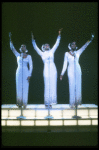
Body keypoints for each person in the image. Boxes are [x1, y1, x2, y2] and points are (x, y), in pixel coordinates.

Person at [60, 34, 94, 108]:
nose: (74, 45)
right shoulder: (66, 54)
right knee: (72, 86)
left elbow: (85, 46)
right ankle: (72, 103)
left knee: (78, 86)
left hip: (78, 70)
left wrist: (90, 40)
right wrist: (62, 73)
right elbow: (65, 64)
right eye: (73, 44)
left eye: (75, 44)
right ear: (70, 45)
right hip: (70, 70)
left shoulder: (78, 52)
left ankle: (77, 103)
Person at [31, 29, 62, 108]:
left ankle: (51, 102)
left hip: (53, 69)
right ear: (43, 47)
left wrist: (59, 35)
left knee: (53, 85)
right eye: (46, 45)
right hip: (46, 70)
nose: (47, 46)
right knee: (47, 85)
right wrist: (33, 39)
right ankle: (47, 102)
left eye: (48, 45)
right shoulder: (42, 53)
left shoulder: (52, 51)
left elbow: (57, 44)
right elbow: (35, 47)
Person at [9, 32, 33, 109]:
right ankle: (19, 103)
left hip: (26, 72)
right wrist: (10, 39)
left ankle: (25, 103)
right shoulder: (18, 55)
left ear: (26, 48)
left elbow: (31, 65)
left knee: (25, 87)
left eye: (24, 46)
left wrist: (30, 74)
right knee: (19, 87)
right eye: (21, 46)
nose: (23, 47)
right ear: (20, 48)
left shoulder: (29, 56)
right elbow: (12, 48)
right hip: (19, 72)